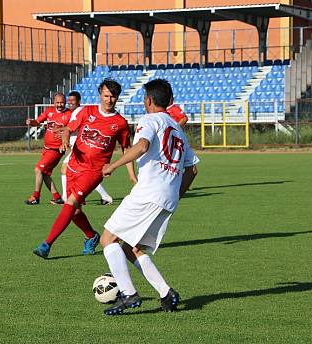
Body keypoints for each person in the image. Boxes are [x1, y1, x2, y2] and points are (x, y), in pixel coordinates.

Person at [98, 79, 197, 315]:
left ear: (148, 101)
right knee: (132, 248)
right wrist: (175, 195)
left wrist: (113, 165)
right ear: (170, 102)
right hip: (167, 199)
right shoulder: (177, 129)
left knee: (108, 239)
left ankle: (128, 293)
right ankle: (166, 293)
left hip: (148, 193)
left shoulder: (150, 120)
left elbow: (142, 146)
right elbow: (192, 169)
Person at [32, 79, 137, 259]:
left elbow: (126, 149)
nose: (109, 100)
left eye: (113, 96)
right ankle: (91, 235)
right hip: (74, 165)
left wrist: (132, 176)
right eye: (106, 95)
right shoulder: (86, 111)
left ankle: (46, 244)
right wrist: (65, 139)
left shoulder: (120, 123)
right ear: (100, 94)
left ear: (117, 98)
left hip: (94, 171)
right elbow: (68, 129)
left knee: (70, 203)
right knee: (75, 210)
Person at [57, 91, 114, 206]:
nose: (70, 102)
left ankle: (66, 197)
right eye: (69, 100)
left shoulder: (79, 111)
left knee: (71, 171)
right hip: (77, 148)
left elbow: (72, 127)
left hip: (81, 148)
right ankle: (103, 196)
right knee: (80, 174)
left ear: (79, 101)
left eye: (73, 100)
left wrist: (62, 131)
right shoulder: (74, 112)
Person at [24, 93, 71, 205]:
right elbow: (37, 122)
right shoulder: (49, 111)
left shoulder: (69, 114)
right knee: (44, 173)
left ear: (65, 102)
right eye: (57, 102)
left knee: (38, 169)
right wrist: (31, 122)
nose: (59, 105)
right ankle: (57, 197)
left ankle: (36, 196)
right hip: (46, 149)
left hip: (56, 150)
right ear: (54, 102)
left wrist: (65, 141)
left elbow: (72, 129)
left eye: (62, 102)